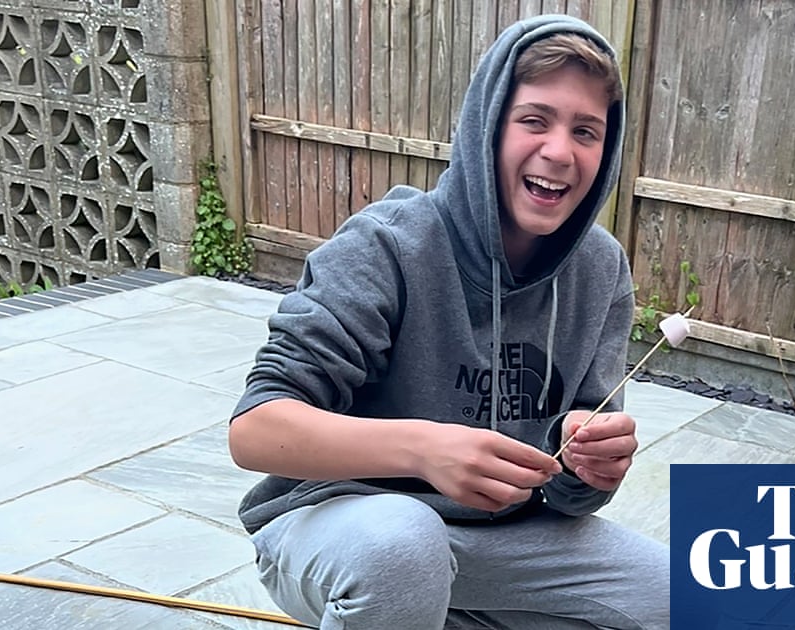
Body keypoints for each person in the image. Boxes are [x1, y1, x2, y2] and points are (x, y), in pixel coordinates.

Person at [227, 14, 669, 629]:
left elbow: (572, 499)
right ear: (486, 127)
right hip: (343, 522)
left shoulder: (601, 270)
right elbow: (254, 431)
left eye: (586, 131)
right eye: (534, 120)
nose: (560, 151)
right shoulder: (387, 245)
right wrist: (423, 450)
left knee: (681, 599)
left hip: (498, 540)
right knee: (403, 549)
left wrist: (591, 469)